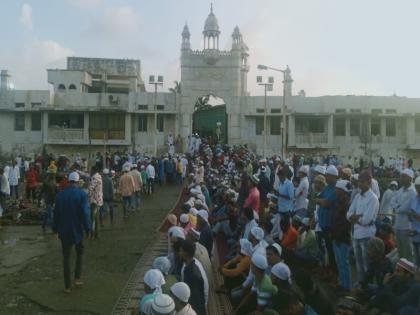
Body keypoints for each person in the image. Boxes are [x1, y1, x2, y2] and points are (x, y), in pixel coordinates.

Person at [52, 172, 91, 293]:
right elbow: (85, 214)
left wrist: (55, 229)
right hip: (77, 230)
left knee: (66, 258)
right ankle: (77, 278)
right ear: (78, 181)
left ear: (68, 181)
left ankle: (67, 286)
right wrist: (88, 229)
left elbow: (56, 214)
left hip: (64, 231)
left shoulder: (60, 195)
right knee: (79, 253)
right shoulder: (81, 195)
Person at [347, 170, 379, 284]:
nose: (359, 184)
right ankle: (361, 289)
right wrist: (356, 217)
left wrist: (355, 218)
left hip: (367, 235)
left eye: (362, 182)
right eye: (359, 181)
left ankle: (369, 290)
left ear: (369, 182)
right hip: (356, 234)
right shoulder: (357, 197)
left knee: (367, 266)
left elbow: (366, 220)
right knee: (359, 265)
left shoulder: (373, 198)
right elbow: (348, 214)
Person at [316, 165, 338, 275]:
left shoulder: (335, 189)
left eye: (328, 176)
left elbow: (326, 203)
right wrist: (321, 201)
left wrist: (320, 201)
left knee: (331, 251)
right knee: (326, 250)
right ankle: (328, 271)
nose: (327, 178)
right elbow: (317, 199)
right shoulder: (327, 188)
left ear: (334, 177)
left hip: (330, 225)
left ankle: (334, 273)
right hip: (323, 224)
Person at [331, 179, 352, 291]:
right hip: (337, 236)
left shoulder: (347, 204)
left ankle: (346, 286)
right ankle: (343, 283)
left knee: (344, 263)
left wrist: (339, 236)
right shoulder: (339, 202)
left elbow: (346, 223)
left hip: (342, 237)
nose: (335, 191)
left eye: (338, 189)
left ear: (343, 191)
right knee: (340, 263)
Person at [179, 239, 208, 315]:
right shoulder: (191, 263)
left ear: (185, 253)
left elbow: (195, 301)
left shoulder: (192, 275)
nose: (179, 253)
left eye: (180, 251)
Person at [393, 168, 416, 261]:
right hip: (398, 225)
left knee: (408, 253)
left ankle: (410, 274)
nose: (401, 178)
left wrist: (397, 207)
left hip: (407, 227)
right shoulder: (400, 190)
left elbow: (405, 207)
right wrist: (398, 207)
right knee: (400, 252)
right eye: (401, 176)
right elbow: (393, 202)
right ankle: (402, 273)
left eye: (404, 176)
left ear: (410, 178)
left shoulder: (413, 192)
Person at [88, 166, 103, 239]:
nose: (90, 171)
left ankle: (91, 234)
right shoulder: (98, 176)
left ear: (93, 170)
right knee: (96, 218)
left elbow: (90, 188)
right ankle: (96, 234)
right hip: (98, 200)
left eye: (91, 170)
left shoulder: (94, 178)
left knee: (92, 219)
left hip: (94, 200)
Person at [409, 175, 420, 265]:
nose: (417, 190)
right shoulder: (415, 198)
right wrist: (411, 215)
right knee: (416, 261)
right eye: (416, 187)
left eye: (418, 187)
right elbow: (412, 214)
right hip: (414, 235)